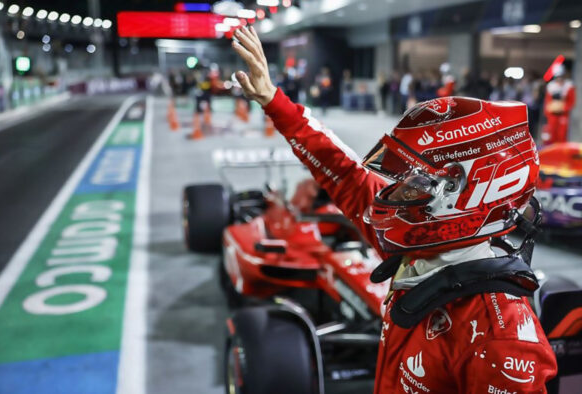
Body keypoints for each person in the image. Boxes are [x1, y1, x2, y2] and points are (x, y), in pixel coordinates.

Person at [230, 26, 557, 393]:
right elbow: (345, 173)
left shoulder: (502, 340)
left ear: (464, 195)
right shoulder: (418, 243)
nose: (394, 193)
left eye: (416, 183)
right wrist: (274, 101)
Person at [542, 66, 575, 145]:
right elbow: (547, 102)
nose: (559, 80)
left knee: (562, 134)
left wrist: (563, 108)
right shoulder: (551, 87)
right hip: (552, 115)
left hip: (563, 115)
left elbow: (571, 101)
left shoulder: (569, 87)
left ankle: (561, 153)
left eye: (561, 77)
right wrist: (548, 112)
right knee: (551, 134)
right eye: (558, 77)